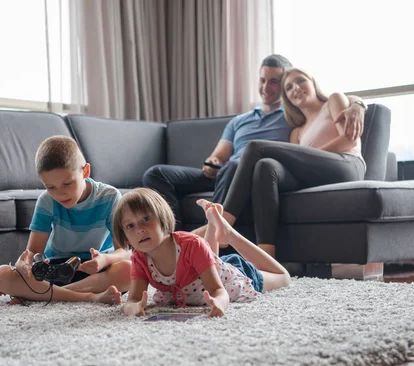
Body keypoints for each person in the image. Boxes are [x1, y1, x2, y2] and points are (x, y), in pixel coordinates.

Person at [143, 54, 366, 230]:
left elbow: (327, 105)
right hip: (226, 173)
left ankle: (212, 234)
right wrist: (212, 163)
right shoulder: (240, 120)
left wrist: (358, 104)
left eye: (275, 82)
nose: (266, 87)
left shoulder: (292, 117)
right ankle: (172, 237)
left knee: (234, 166)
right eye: (262, 80)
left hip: (248, 172)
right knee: (156, 173)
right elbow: (220, 155)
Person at [211, 67, 367, 258]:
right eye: (289, 87)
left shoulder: (333, 100)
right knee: (265, 166)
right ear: (287, 99)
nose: (296, 88)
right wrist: (304, 157)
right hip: (316, 175)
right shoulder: (297, 131)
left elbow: (348, 140)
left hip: (347, 165)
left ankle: (223, 222)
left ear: (313, 82)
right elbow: (297, 166)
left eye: (301, 81)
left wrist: (358, 104)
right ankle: (266, 256)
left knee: (256, 147)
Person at [0, 136, 131, 304]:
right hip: (55, 268)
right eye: (51, 187)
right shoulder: (46, 201)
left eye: (67, 184)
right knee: (0, 275)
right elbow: (34, 251)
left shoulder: (110, 197)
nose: (60, 194)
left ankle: (41, 295)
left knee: (130, 269)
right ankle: (89, 297)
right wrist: (26, 262)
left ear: (85, 172)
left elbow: (125, 250)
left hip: (94, 269)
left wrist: (104, 260)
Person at [112, 188, 291, 318]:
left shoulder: (191, 244)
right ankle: (213, 224)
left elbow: (218, 290)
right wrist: (133, 309)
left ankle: (229, 234)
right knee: (204, 256)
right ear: (125, 236)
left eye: (145, 219)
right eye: (130, 226)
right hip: (203, 267)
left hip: (233, 275)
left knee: (283, 278)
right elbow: (133, 299)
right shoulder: (139, 258)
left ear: (162, 217)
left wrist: (220, 303)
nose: (139, 230)